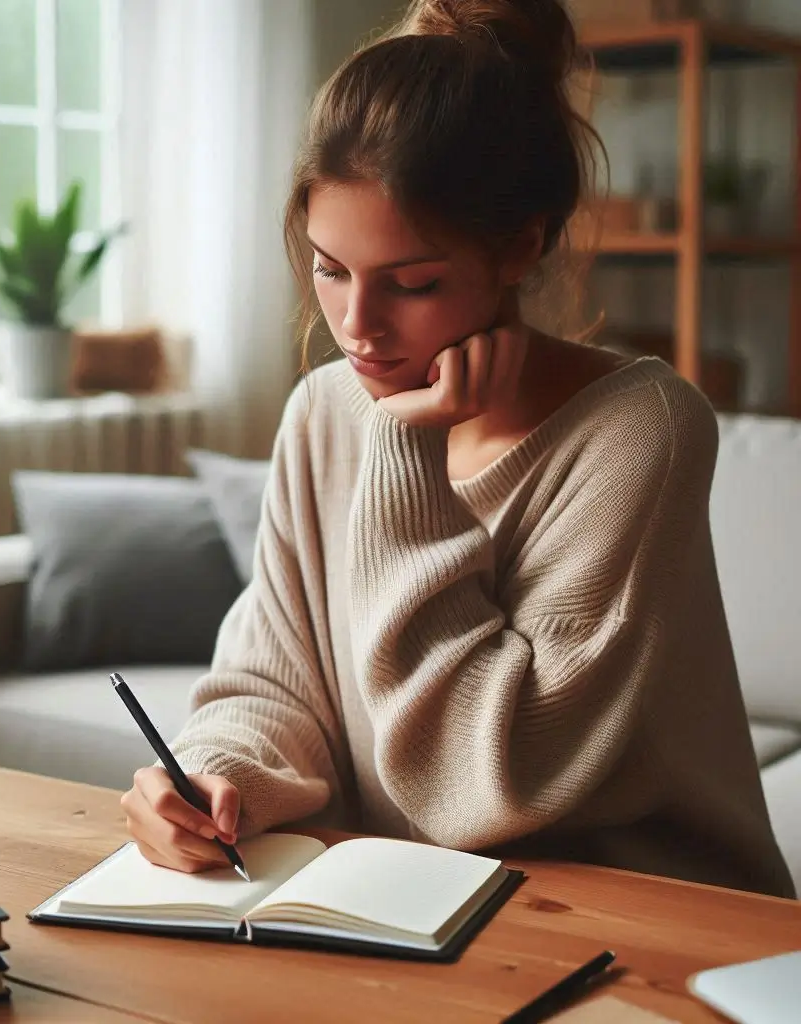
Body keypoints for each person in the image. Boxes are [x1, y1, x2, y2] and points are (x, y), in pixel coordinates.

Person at [120, 0, 795, 898]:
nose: (357, 328)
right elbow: (274, 680)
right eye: (330, 268)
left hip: (645, 917)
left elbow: (487, 783)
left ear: (520, 246)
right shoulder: (323, 413)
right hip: (411, 905)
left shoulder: (641, 429)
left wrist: (406, 448)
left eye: (414, 283)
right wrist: (213, 778)